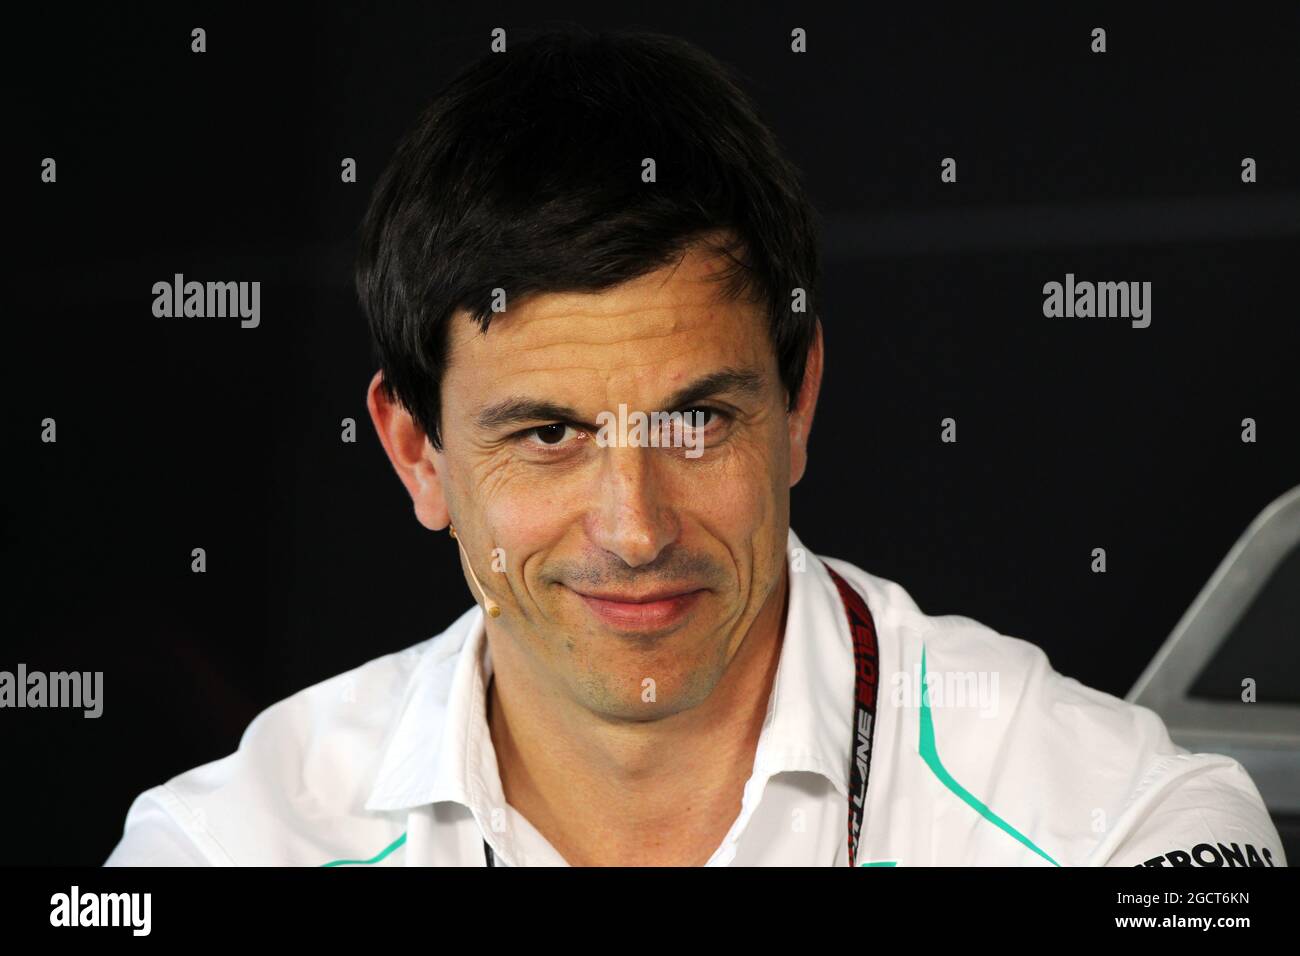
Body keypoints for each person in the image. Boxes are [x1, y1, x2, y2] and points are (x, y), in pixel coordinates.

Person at [105, 27, 1285, 867]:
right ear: (417, 452)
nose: (634, 526)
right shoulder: (222, 847)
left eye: (698, 418)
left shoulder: (1134, 838)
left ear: (800, 401)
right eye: (549, 433)